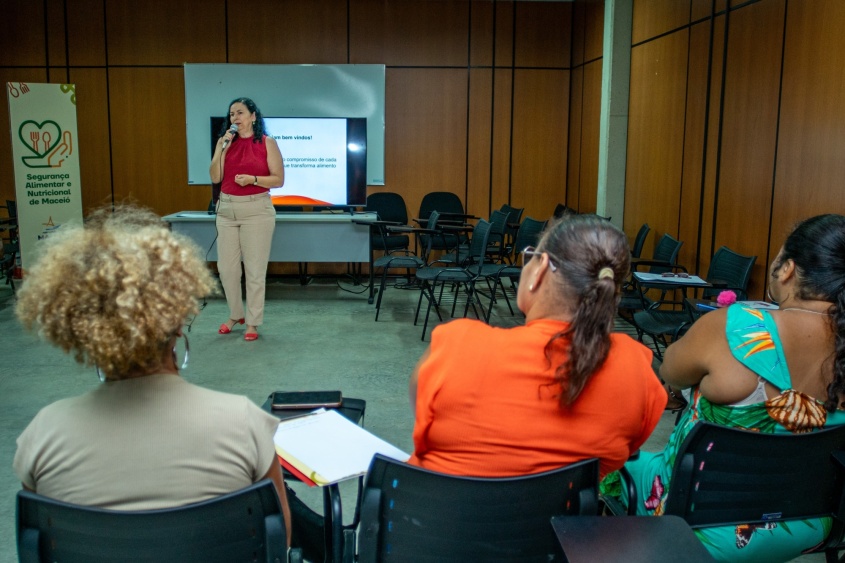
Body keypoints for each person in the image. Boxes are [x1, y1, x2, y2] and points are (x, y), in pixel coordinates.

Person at [12, 205, 291, 541]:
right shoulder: (243, 424)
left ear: (79, 327)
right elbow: (280, 542)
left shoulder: (44, 435)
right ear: (176, 319)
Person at [611, 214, 845, 562]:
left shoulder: (738, 329)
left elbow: (672, 369)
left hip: (698, 526)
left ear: (787, 270)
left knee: (601, 464)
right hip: (813, 525)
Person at [409, 214, 667, 480]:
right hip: (557, 522)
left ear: (541, 268)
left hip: (434, 517)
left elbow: (422, 419)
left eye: (530, 255)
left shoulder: (456, 346)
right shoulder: (635, 368)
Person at [210, 96, 284, 341]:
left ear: (253, 116)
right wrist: (222, 148)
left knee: (254, 270)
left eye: (240, 113)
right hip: (227, 209)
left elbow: (278, 179)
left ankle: (252, 322)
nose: (235, 118)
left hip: (257, 210)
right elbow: (214, 177)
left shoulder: (267, 142)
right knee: (227, 269)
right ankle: (235, 314)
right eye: (232, 114)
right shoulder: (225, 142)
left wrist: (253, 179)